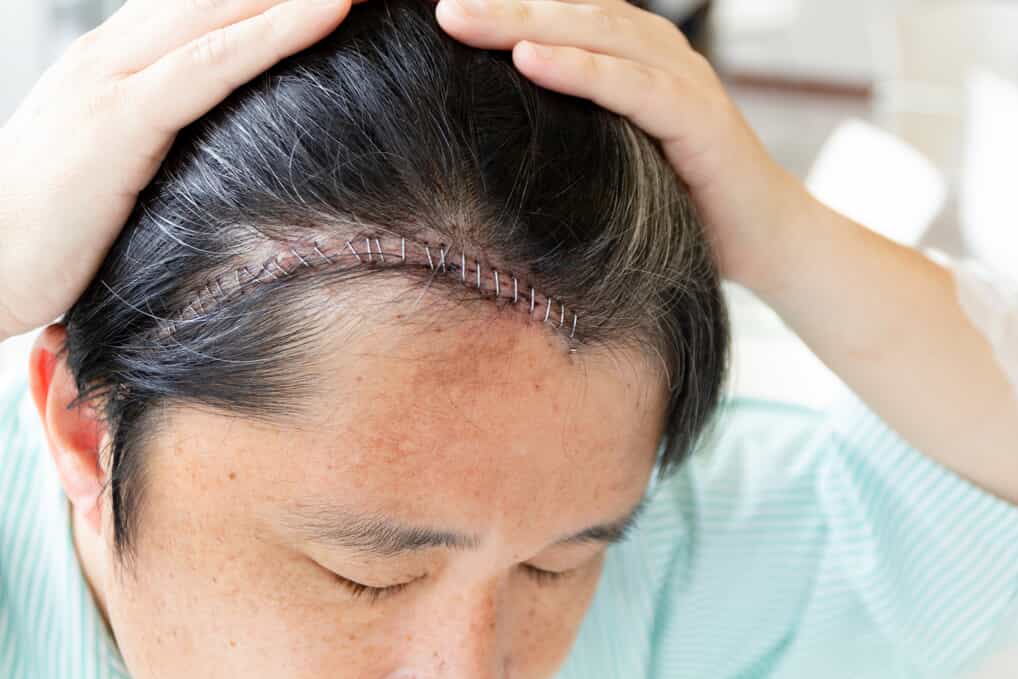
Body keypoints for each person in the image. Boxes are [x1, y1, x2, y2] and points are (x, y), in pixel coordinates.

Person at [0, 0, 1015, 677]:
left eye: (553, 570)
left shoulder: (658, 556)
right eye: (368, 575)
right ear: (86, 431)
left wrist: (785, 235)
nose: (470, 665)